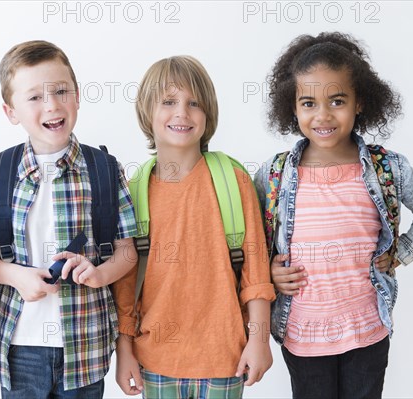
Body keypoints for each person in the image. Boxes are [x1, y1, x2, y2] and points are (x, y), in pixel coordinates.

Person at [254, 32, 413, 398]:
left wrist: (402, 252)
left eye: (337, 100)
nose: (323, 115)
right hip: (302, 333)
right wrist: (268, 271)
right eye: (308, 103)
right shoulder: (274, 174)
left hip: (367, 330)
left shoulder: (387, 168)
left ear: (359, 103)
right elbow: (246, 239)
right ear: (292, 108)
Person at [0, 40, 138, 399]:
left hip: (86, 342)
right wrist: (16, 276)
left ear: (77, 97)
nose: (52, 105)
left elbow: (127, 251)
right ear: (10, 111)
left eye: (61, 91)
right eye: (34, 97)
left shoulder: (105, 171)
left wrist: (100, 274)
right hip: (17, 343)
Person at [113, 55, 276, 399]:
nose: (182, 113)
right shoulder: (135, 189)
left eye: (194, 103)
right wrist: (123, 349)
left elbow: (256, 272)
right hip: (156, 358)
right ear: (147, 112)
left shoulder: (233, 181)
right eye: (169, 102)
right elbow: (126, 286)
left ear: (208, 114)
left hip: (225, 357)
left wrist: (260, 338)